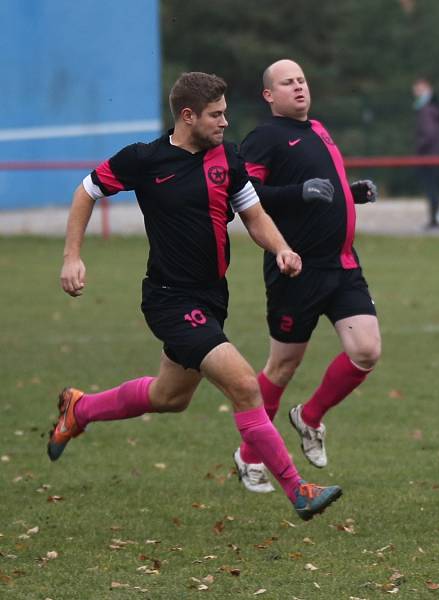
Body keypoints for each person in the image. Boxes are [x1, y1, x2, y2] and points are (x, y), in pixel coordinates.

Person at [48, 72, 342, 521]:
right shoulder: (145, 159)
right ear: (188, 116)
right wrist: (72, 257)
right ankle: (297, 489)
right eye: (216, 115)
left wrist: (281, 248)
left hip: (211, 299)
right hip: (169, 298)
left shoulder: (227, 157)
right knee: (245, 385)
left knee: (170, 397)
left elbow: (255, 214)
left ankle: (80, 408)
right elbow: (86, 191)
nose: (226, 122)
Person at [232, 59, 381, 494]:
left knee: (366, 350)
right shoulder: (264, 138)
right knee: (281, 367)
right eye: (287, 83)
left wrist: (351, 195)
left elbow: (321, 190)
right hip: (295, 268)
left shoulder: (317, 128)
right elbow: (247, 196)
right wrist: (299, 192)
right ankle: (249, 455)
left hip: (342, 263)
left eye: (301, 80)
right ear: (269, 95)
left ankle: (310, 418)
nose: (298, 87)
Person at [412, 77, 439, 229]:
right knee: (434, 187)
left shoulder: (426, 110)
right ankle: (437, 217)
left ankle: (435, 219)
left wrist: (419, 148)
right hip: (436, 153)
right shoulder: (434, 109)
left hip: (428, 155)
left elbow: (428, 133)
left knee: (431, 188)